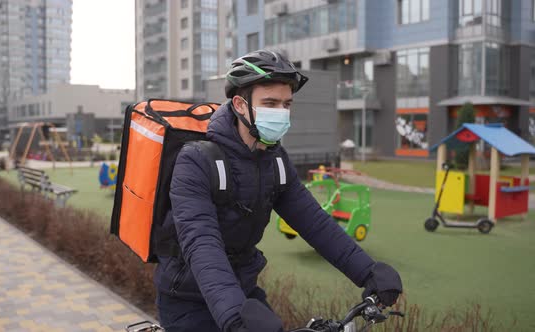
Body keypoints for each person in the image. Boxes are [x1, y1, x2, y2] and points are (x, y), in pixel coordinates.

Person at [153, 50, 403, 332]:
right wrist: (234, 316)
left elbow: (314, 222)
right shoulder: (196, 160)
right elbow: (201, 243)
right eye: (270, 103)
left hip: (243, 293)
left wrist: (367, 271)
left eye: (286, 104)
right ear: (239, 104)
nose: (281, 113)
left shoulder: (275, 161)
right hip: (187, 299)